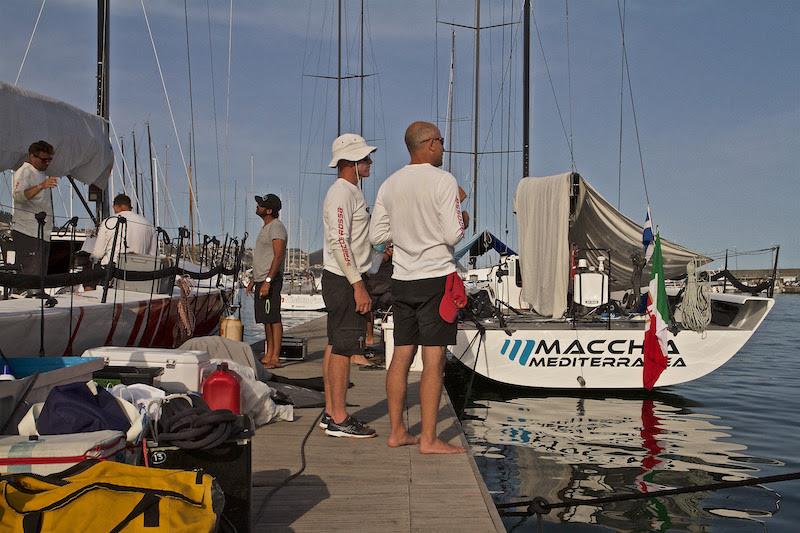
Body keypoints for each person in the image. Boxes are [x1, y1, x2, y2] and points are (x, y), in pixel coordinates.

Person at [370, 121, 469, 454]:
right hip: (436, 279)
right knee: (434, 360)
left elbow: (376, 236)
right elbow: (454, 234)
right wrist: (463, 217)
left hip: (402, 279)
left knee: (400, 356)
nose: (443, 146)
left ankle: (397, 431)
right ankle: (428, 438)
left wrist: (404, 235)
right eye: (440, 140)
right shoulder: (444, 181)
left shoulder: (389, 184)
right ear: (428, 144)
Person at [320, 133, 378, 438]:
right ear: (352, 163)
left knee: (334, 344)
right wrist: (357, 284)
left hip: (343, 277)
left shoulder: (352, 193)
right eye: (366, 158)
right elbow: (339, 241)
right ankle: (340, 418)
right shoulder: (342, 193)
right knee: (343, 349)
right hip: (344, 280)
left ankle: (331, 412)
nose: (370, 162)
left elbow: (353, 239)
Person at [247, 194, 287, 369]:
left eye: (261, 205)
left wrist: (268, 281)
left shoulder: (276, 227)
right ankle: (269, 353)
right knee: (265, 319)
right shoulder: (266, 227)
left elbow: (278, 256)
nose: (258, 206)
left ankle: (275, 357)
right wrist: (253, 280)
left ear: (269, 210)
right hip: (261, 279)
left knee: (273, 318)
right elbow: (263, 257)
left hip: (270, 280)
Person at [12, 141, 57, 276]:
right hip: (27, 231)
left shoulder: (41, 173)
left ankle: (37, 294)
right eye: (44, 160)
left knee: (40, 275)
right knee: (30, 274)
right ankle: (27, 294)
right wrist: (41, 186)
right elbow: (18, 196)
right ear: (32, 156)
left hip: (42, 233)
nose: (47, 163)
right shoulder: (24, 172)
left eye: (49, 160)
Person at [91, 194, 156, 264]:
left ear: (115, 207)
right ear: (130, 207)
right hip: (140, 270)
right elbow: (153, 255)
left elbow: (98, 254)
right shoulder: (149, 225)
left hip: (113, 269)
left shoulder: (108, 222)